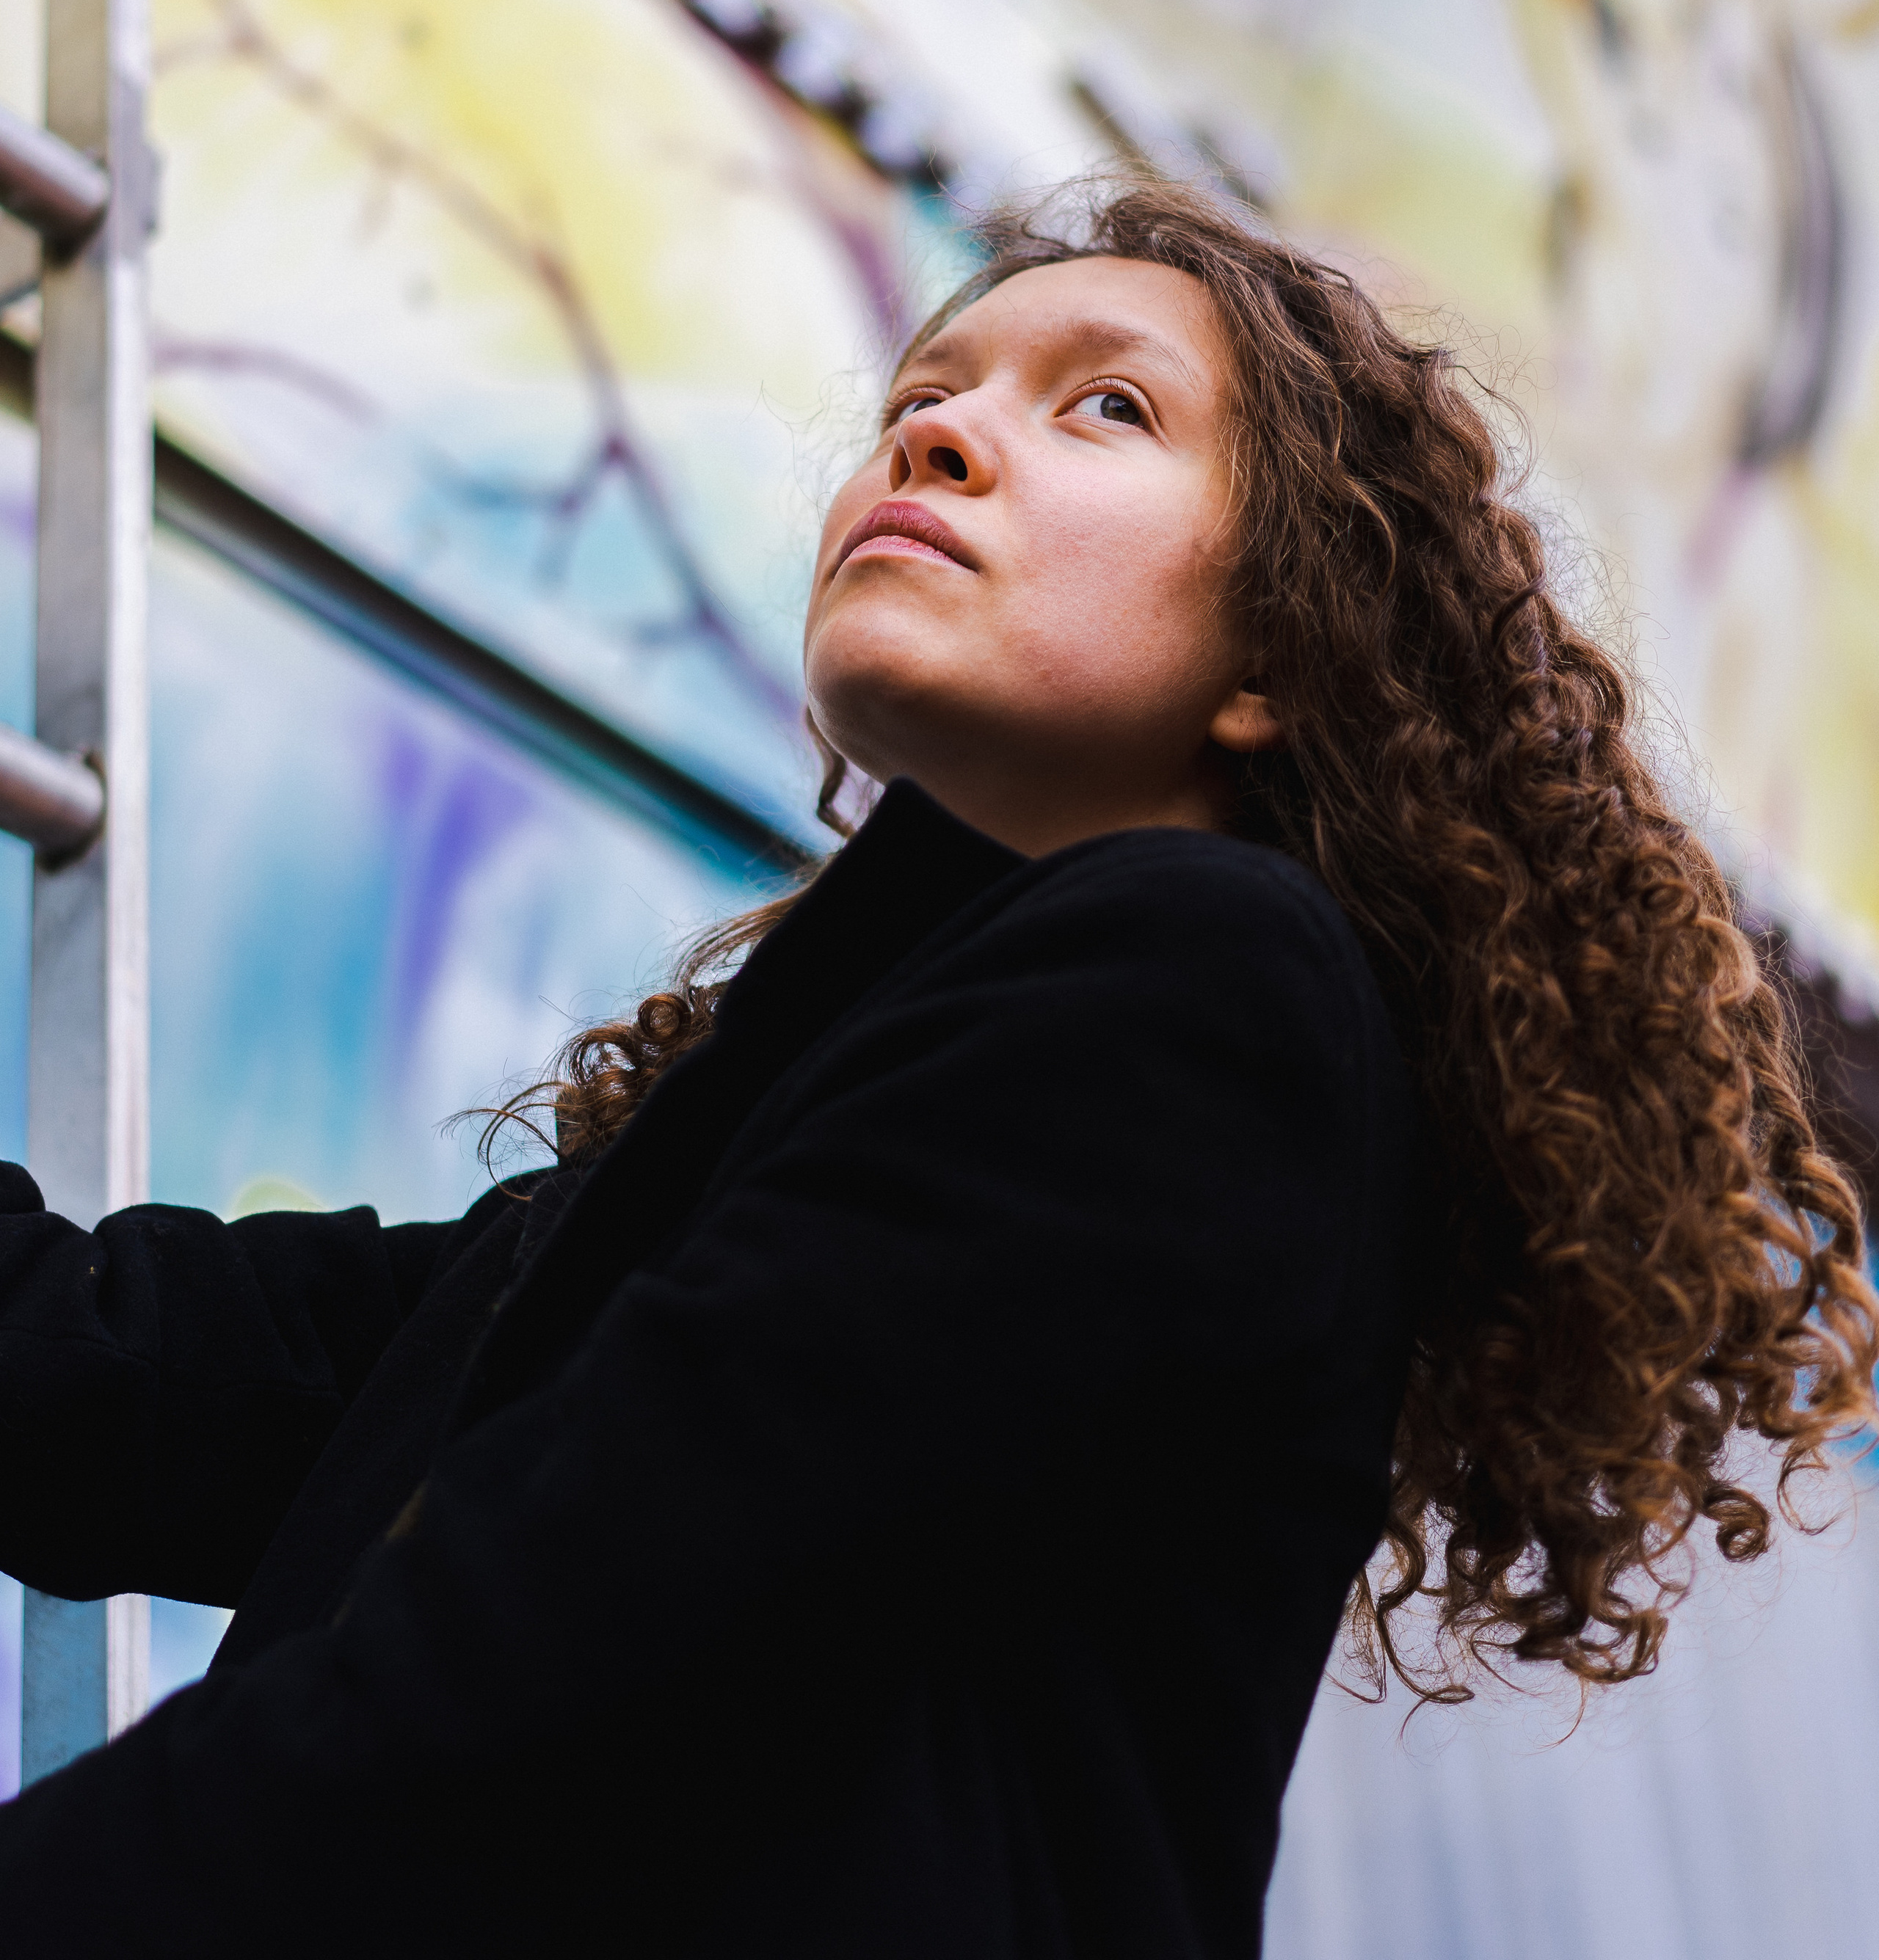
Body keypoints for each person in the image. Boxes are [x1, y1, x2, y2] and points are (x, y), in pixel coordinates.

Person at [0, 174, 1870, 1955]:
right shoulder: (826, 1101)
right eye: (921, 397)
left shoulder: (1205, 986)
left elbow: (535, 1672)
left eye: (1107, 408)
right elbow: (128, 1375)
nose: (940, 437)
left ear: (1277, 655)